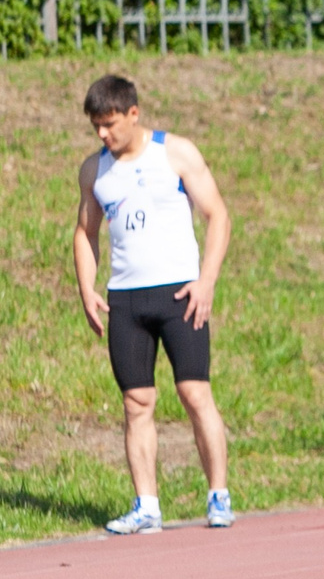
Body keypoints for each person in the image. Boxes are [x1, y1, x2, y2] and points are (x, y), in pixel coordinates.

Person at [71, 74, 237, 534]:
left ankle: (217, 495)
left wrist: (207, 281)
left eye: (109, 124)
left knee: (194, 392)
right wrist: (87, 288)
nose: (103, 135)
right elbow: (85, 233)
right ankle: (147, 505)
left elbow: (218, 215)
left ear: (133, 114)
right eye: (96, 128)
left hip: (180, 293)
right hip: (126, 299)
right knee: (136, 401)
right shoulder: (94, 170)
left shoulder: (175, 153)